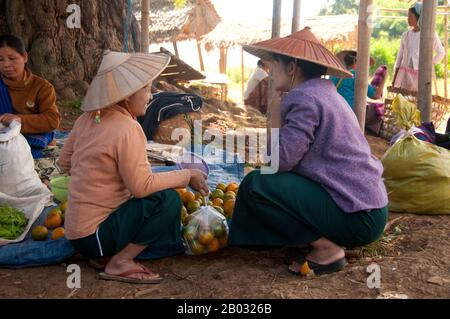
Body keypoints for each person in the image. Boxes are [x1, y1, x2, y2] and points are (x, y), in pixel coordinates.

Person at [229, 28, 389, 275]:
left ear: (292, 68)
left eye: (276, 64)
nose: (271, 70)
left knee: (257, 184)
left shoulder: (304, 98)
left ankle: (327, 249)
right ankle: (314, 239)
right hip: (368, 209)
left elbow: (279, 162)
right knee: (268, 182)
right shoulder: (324, 92)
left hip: (358, 216)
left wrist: (274, 116)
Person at [59, 50, 209, 284]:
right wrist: (187, 174)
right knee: (167, 201)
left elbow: (65, 163)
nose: (150, 97)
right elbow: (141, 186)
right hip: (96, 236)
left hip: (76, 233)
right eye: (147, 89)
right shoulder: (128, 128)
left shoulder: (87, 118)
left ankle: (106, 254)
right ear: (127, 95)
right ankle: (120, 261)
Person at [0, 34, 61, 158]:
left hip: (30, 138)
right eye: (0, 59)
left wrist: (19, 121)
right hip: (2, 137)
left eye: (12, 58)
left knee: (20, 157)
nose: (6, 64)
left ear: (25, 57)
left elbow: (52, 120)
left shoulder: (42, 87)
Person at [392, 2, 445, 93]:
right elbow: (399, 58)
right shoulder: (405, 35)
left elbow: (441, 52)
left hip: (421, 76)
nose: (408, 19)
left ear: (419, 17)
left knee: (419, 101)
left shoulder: (429, 34)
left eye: (410, 16)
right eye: (407, 16)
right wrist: (394, 78)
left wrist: (429, 64)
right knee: (405, 102)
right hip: (405, 76)